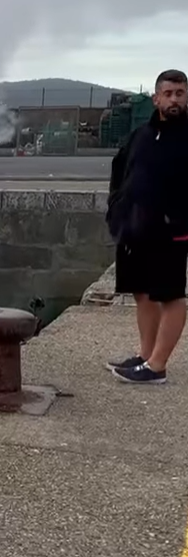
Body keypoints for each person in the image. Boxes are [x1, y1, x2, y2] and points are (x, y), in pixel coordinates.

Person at [106, 69, 188, 384]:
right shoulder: (141, 134)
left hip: (172, 229)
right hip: (136, 228)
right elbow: (120, 168)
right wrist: (116, 205)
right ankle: (145, 355)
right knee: (142, 293)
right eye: (168, 94)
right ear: (156, 98)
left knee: (170, 296)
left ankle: (157, 366)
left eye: (180, 93)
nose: (174, 99)